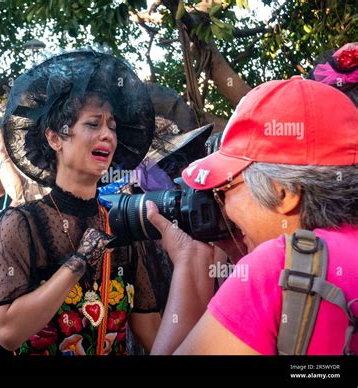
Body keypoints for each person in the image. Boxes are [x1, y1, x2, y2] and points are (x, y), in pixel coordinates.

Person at [146, 76, 358, 355]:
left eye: (224, 189)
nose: (221, 207)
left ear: (284, 193)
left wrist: (189, 261)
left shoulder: (276, 268)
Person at [0, 50, 161, 355]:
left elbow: (152, 334)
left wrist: (187, 261)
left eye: (112, 126)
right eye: (93, 124)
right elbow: (7, 332)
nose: (108, 136)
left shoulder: (123, 225)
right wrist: (77, 262)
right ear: (55, 138)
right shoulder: (22, 224)